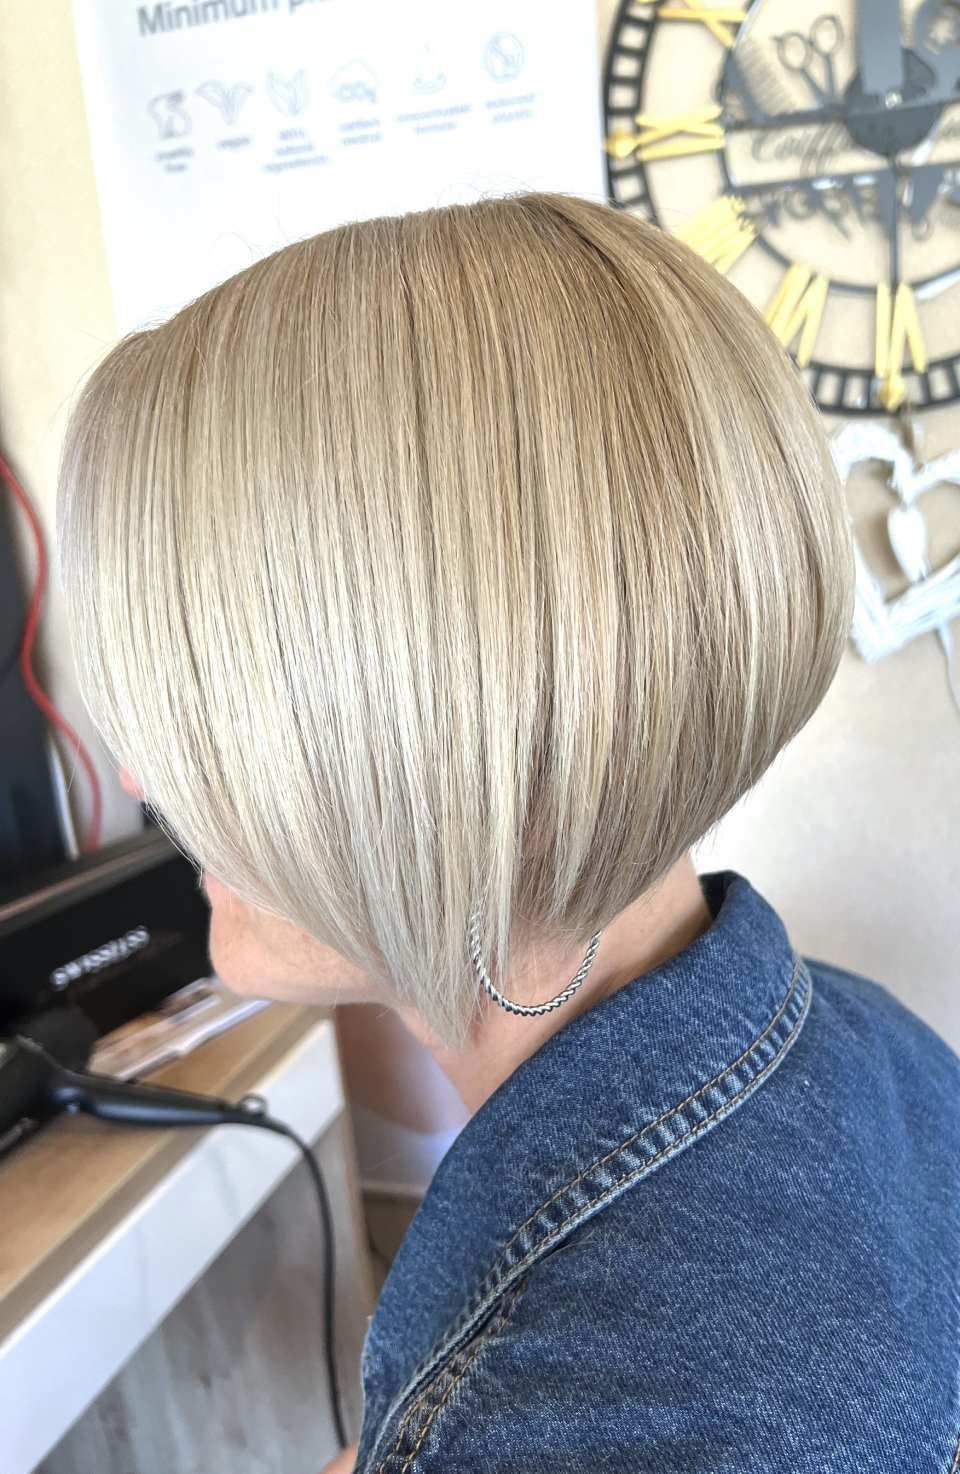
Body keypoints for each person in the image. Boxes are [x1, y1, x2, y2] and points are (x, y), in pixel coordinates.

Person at [58, 194, 960, 1474]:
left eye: (210, 713)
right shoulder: (867, 1041)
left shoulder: (549, 1416)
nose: (147, 774)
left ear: (435, 754)